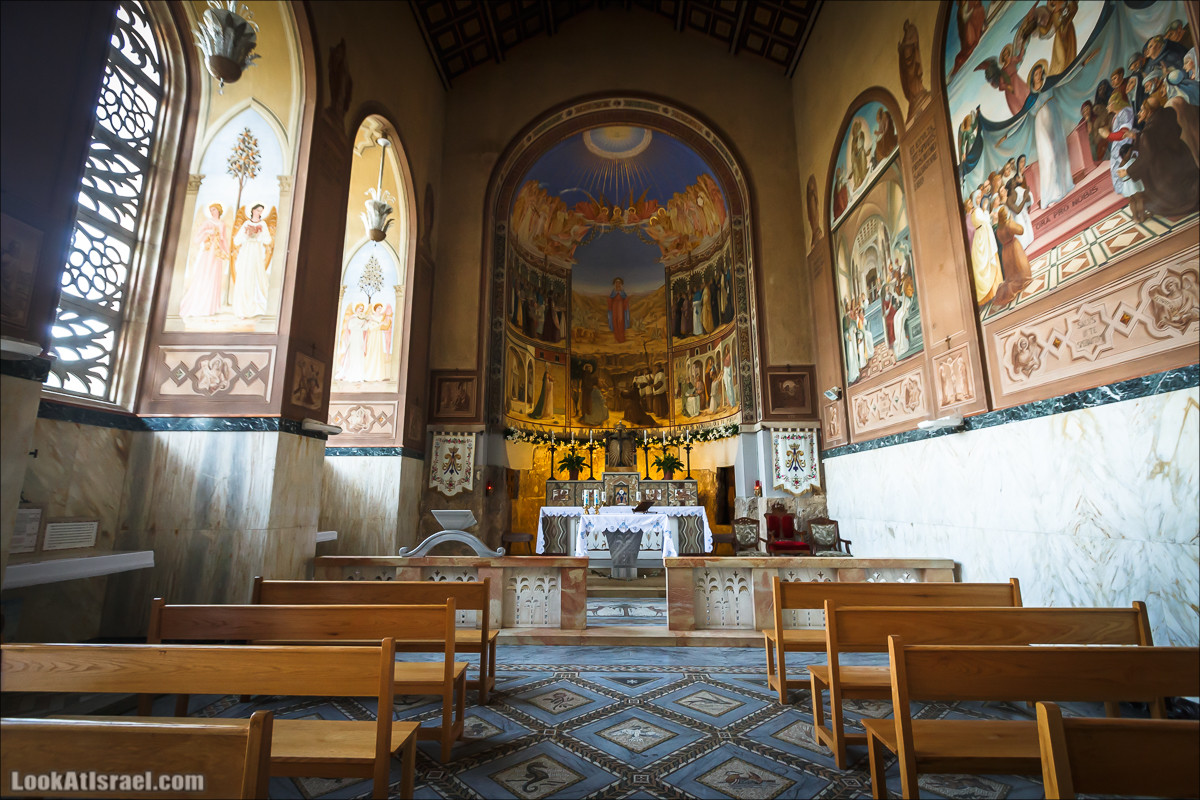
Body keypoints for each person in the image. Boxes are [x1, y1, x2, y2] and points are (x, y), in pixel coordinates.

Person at [1027, 61, 1075, 208]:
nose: (1039, 75)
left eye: (1040, 72)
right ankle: (1051, 194)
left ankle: (1063, 187)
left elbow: (1065, 75)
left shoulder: (1048, 83)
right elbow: (1020, 118)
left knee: (1059, 151)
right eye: (1036, 74)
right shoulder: (1031, 97)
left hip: (1053, 117)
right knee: (1048, 157)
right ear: (1032, 77)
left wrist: (1083, 62)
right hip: (1040, 125)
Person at [178, 203, 229, 317]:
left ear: (219, 210)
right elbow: (197, 238)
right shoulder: (207, 222)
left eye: (214, 209)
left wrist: (227, 251)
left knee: (214, 276)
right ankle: (200, 304)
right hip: (208, 252)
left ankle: (210, 307)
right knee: (205, 275)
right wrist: (207, 232)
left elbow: (224, 239)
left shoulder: (222, 224)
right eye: (210, 210)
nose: (212, 211)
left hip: (217, 253)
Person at [231, 204, 271, 318]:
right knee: (245, 276)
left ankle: (256, 307)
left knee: (255, 275)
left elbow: (268, 240)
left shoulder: (262, 224)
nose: (259, 213)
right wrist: (247, 235)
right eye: (258, 210)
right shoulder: (246, 223)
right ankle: (243, 308)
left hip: (257, 253)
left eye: (261, 211)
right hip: (246, 252)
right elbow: (236, 241)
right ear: (253, 210)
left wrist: (258, 236)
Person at [967, 190, 1002, 304]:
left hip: (984, 236)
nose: (979, 200)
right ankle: (990, 293)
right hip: (982, 239)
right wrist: (986, 210)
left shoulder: (977, 211)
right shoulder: (976, 211)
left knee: (991, 261)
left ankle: (997, 288)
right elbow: (985, 221)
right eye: (977, 198)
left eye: (979, 197)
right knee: (985, 263)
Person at [607, 277, 630, 342]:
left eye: (619, 283)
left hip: (621, 308)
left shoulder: (622, 292)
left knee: (621, 321)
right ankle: (617, 338)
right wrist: (609, 300)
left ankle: (622, 338)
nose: (618, 284)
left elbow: (625, 298)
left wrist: (626, 299)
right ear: (615, 284)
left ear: (620, 284)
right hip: (614, 308)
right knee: (614, 321)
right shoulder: (613, 292)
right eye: (616, 283)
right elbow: (610, 298)